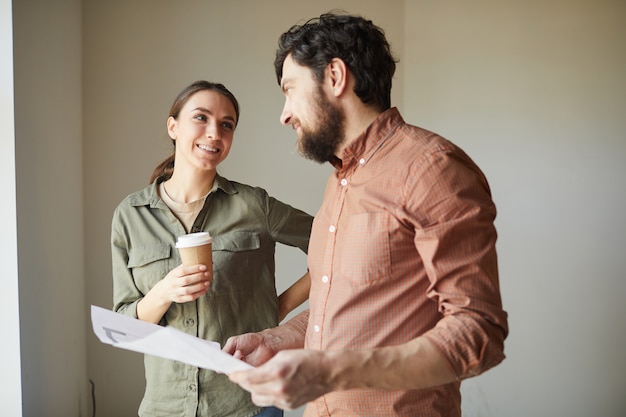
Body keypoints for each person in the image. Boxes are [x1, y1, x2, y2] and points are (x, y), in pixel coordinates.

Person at [223, 12, 509, 417]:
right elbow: (339, 310)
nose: (284, 114)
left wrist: (331, 371)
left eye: (290, 90)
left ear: (336, 77)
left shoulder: (433, 169)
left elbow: (479, 331)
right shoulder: (339, 182)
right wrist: (277, 338)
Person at [111, 80, 313, 417]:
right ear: (173, 126)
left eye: (226, 124)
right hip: (166, 406)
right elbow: (125, 328)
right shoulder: (130, 215)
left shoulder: (254, 206)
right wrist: (164, 292)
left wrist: (279, 310)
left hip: (248, 403)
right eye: (201, 118)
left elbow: (334, 244)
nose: (214, 133)